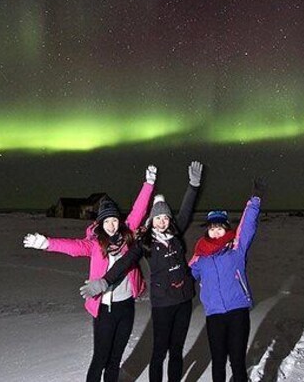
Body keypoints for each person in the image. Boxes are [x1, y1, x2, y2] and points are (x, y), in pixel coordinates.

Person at [22, 165, 157, 382]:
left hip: (126, 306)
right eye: (107, 221)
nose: (112, 225)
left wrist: (148, 185)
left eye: (114, 220)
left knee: (115, 359)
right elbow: (74, 247)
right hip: (104, 309)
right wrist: (46, 243)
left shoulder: (128, 236)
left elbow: (139, 210)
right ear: (101, 224)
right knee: (100, 358)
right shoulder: (95, 244)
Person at [80, 161, 203, 382]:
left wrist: (193, 186)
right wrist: (104, 281)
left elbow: (186, 211)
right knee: (158, 353)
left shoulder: (176, 234)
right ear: (152, 220)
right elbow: (124, 261)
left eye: (166, 217)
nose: (163, 221)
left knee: (176, 351)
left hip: (184, 301)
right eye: (158, 217)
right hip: (163, 304)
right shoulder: (144, 242)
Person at [188, 178, 265, 382]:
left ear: (226, 228)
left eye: (219, 227)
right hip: (214, 315)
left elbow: (247, 225)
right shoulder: (200, 257)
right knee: (218, 361)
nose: (215, 231)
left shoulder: (236, 249)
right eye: (212, 228)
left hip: (237, 311)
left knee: (237, 361)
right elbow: (184, 276)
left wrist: (254, 200)